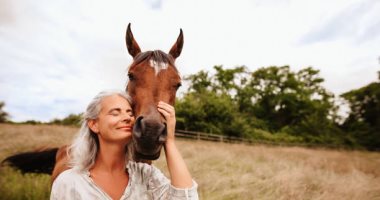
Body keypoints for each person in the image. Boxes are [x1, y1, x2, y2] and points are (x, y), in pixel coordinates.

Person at [50, 90, 198, 200]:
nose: (127, 118)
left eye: (129, 113)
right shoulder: (68, 183)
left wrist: (169, 140)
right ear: (94, 124)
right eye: (115, 113)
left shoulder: (146, 175)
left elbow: (186, 198)